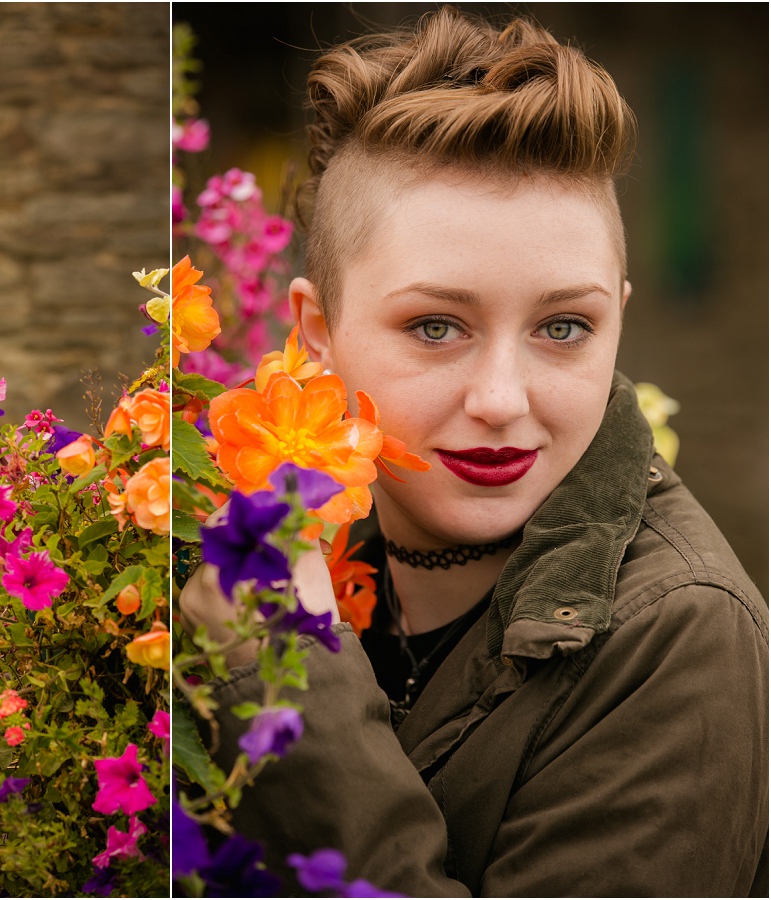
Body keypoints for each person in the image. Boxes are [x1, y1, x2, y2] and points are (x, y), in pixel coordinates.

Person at [178, 7, 768, 896]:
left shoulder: (682, 638)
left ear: (619, 317)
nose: (501, 400)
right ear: (318, 332)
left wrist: (286, 675)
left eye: (564, 326)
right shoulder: (258, 541)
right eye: (436, 326)